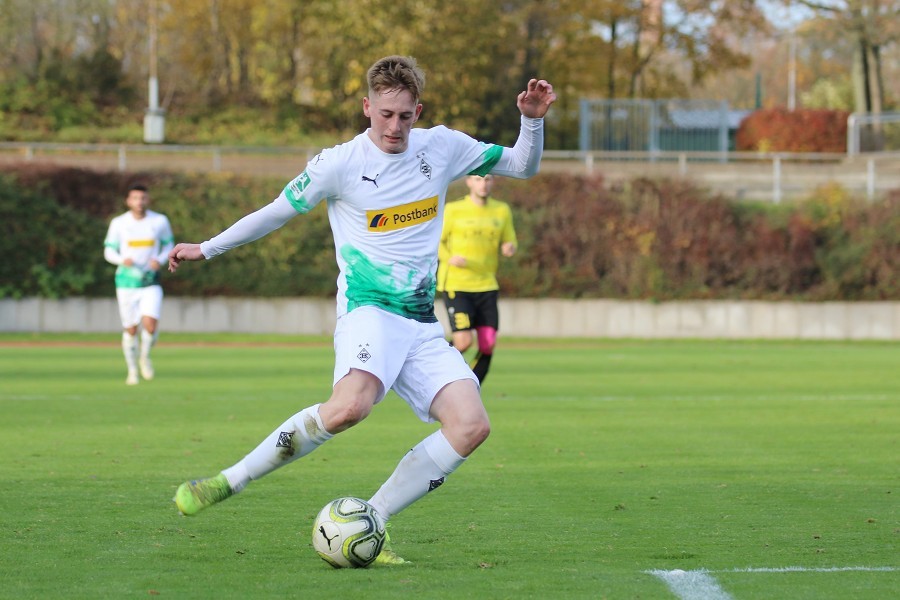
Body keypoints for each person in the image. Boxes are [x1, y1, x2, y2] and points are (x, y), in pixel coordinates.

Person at [167, 55, 555, 565]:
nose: (395, 127)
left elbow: (522, 166)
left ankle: (371, 519)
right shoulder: (339, 163)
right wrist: (208, 247)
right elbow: (275, 213)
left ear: (419, 110)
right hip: (368, 309)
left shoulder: (442, 147)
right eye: (386, 114)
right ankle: (228, 481)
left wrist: (532, 119)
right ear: (367, 106)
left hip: (420, 322)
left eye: (406, 116)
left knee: (470, 425)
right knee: (351, 406)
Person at [437, 174, 517, 384]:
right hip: (457, 284)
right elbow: (436, 241)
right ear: (469, 182)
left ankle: (471, 387)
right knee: (462, 342)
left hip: (487, 284)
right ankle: (434, 371)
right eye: (478, 179)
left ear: (493, 182)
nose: (483, 184)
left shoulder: (501, 210)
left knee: (487, 344)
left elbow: (510, 240)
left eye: (488, 179)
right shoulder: (454, 210)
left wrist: (509, 247)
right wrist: (449, 257)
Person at [103, 184, 174, 385]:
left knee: (150, 325)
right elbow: (109, 251)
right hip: (126, 282)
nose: (139, 202)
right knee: (131, 329)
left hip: (151, 281)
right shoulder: (119, 223)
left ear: (147, 200)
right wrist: (121, 260)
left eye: (142, 198)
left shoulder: (159, 221)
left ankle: (145, 357)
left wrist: (159, 260)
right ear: (128, 201)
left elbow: (168, 244)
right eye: (135, 198)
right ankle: (132, 370)